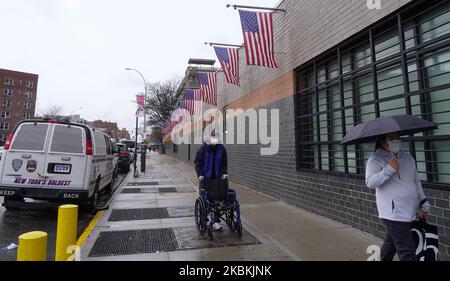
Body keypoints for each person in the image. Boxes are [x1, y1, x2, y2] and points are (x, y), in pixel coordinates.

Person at [366, 132, 431, 261]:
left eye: (398, 138)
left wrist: (424, 204)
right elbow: (370, 182)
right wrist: (388, 170)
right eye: (391, 139)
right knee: (407, 250)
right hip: (393, 213)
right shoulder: (375, 159)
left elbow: (416, 182)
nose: (396, 141)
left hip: (409, 210)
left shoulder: (408, 158)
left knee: (390, 245)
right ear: (382, 141)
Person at [194, 131, 228, 230]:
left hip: (217, 178)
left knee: (217, 200)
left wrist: (224, 173)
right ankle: (204, 219)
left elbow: (224, 163)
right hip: (205, 178)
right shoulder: (203, 149)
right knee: (204, 200)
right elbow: (197, 162)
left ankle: (216, 221)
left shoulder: (222, 149)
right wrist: (200, 174)